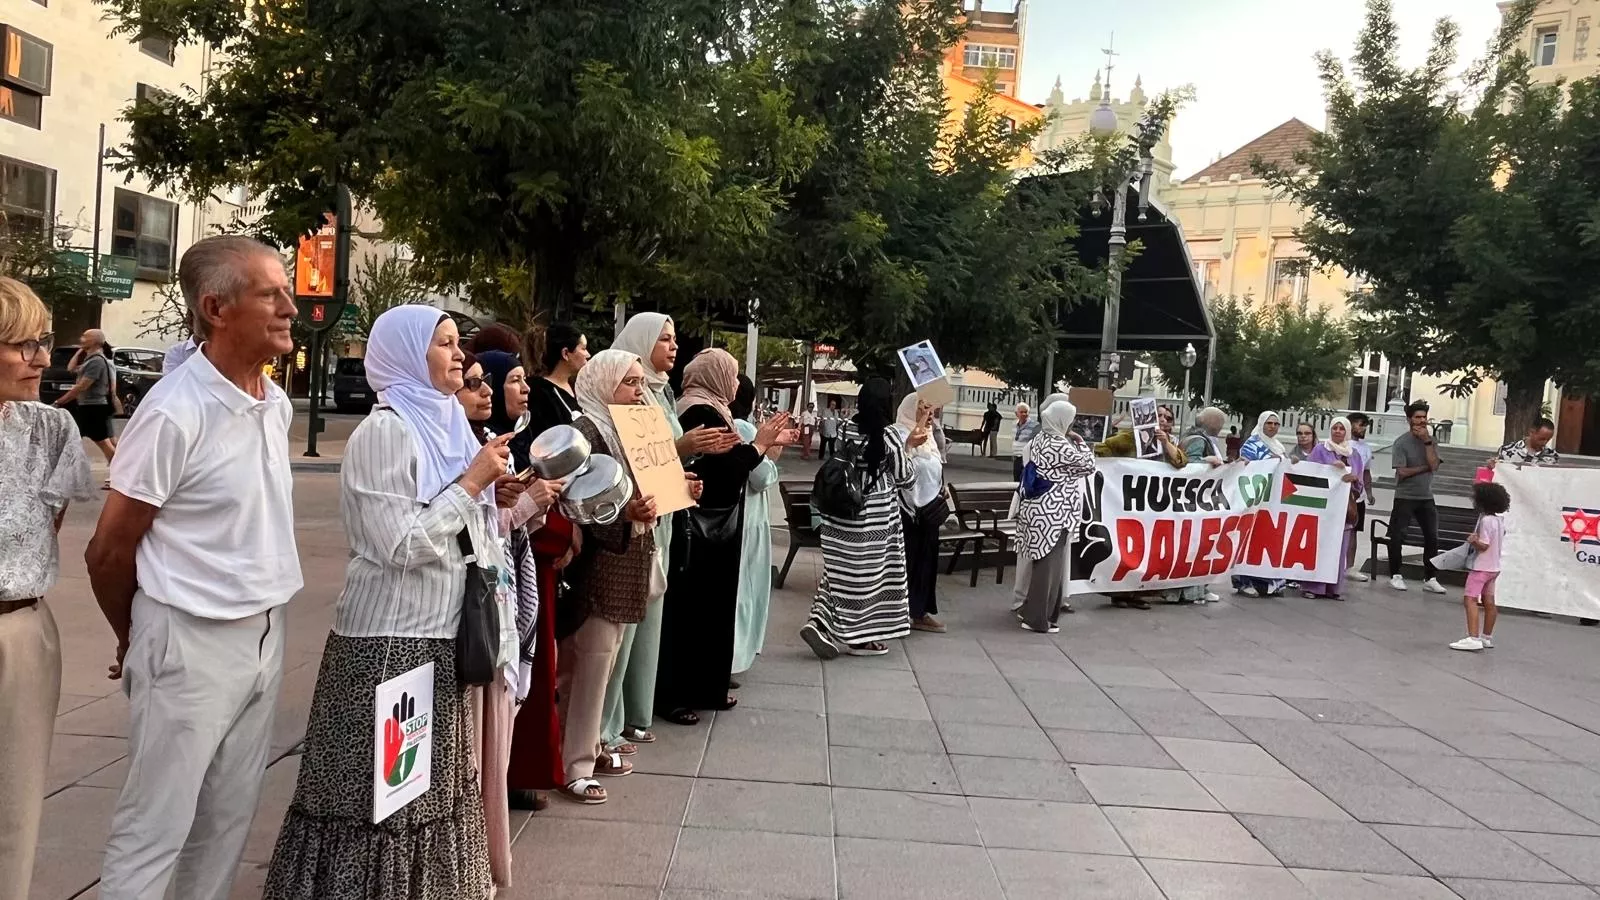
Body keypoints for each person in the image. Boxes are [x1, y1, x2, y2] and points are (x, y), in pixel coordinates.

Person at [87, 237, 302, 900]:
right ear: (216, 307)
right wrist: (138, 633)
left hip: (263, 634)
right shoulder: (175, 412)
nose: (291, 306)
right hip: (188, 637)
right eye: (271, 293)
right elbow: (108, 550)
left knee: (225, 827)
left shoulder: (274, 402)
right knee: (155, 829)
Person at [596, 315, 738, 750]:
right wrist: (685, 448)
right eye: (664, 338)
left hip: (663, 518)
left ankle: (636, 712)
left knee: (648, 622)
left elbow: (659, 462)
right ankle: (606, 725)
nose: (673, 347)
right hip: (631, 523)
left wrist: (683, 480)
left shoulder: (661, 392)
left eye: (674, 338)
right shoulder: (620, 400)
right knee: (617, 631)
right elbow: (639, 456)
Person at [555, 348, 687, 802]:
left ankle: (586, 747)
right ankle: (575, 764)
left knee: (604, 663)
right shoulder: (585, 432)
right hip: (596, 563)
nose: (639, 391)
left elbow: (646, 485)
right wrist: (623, 513)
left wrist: (677, 489)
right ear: (603, 383)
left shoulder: (632, 428)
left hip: (630, 557)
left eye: (641, 383)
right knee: (589, 662)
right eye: (630, 383)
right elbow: (569, 503)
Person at [0, 278, 95, 900]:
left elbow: (42, 530)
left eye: (44, 343)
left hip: (21, 630)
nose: (41, 359)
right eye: (22, 344)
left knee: (13, 806)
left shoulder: (50, 431)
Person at [658, 349, 788, 723]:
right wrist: (760, 445)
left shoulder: (710, 408)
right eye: (730, 375)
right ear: (714, 376)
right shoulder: (700, 411)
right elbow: (726, 475)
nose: (734, 384)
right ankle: (678, 696)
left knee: (708, 611)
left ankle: (704, 689)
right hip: (701, 530)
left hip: (712, 529)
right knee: (692, 614)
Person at [505, 322, 586, 812]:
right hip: (508, 570)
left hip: (536, 558)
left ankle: (522, 770)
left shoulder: (512, 436)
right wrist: (534, 507)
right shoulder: (492, 440)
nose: (524, 389)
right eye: (512, 380)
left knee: (536, 671)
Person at [800, 377, 918, 659]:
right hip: (876, 516)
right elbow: (906, 477)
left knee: (840, 573)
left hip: (841, 512)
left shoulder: (844, 428)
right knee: (870, 578)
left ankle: (818, 622)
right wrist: (909, 448)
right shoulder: (889, 435)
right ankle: (862, 639)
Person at [1017, 398, 1097, 633]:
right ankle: (1038, 619)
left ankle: (1036, 613)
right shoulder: (1059, 445)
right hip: (1054, 513)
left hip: (1039, 511)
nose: (1072, 425)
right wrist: (1081, 443)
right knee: (1049, 568)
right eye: (1070, 420)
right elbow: (1089, 465)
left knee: (1045, 565)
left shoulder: (1040, 438)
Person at [1094, 415, 1190, 608]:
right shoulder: (1130, 438)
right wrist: (1119, 467)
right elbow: (1101, 449)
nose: (1163, 420)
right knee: (1127, 547)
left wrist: (1164, 443)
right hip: (1129, 501)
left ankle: (1137, 592)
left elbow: (1181, 461)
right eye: (1159, 416)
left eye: (1168, 418)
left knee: (1147, 549)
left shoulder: (1170, 442)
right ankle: (1119, 593)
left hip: (1154, 506)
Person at [731, 375, 781, 673]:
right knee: (746, 590)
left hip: (735, 516)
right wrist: (771, 451)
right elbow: (761, 476)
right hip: (748, 518)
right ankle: (737, 657)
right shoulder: (745, 428)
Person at [1010, 392, 1075, 616]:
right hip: (1042, 508)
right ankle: (1024, 599)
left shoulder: (1062, 440)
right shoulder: (1042, 440)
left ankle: (1054, 598)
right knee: (1031, 557)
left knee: (1056, 559)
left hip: (1056, 510)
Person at [896, 394, 948, 634]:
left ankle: (920, 612)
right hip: (905, 510)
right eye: (922, 409)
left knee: (926, 563)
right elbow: (899, 466)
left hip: (929, 511)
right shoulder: (898, 433)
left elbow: (935, 466)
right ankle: (898, 613)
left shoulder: (930, 437)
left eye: (930, 409)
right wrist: (909, 445)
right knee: (906, 562)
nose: (929, 413)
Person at [1299, 417, 1365, 601]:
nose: (1337, 431)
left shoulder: (1354, 454)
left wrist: (1351, 478)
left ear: (1347, 432)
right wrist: (1331, 469)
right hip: (1323, 507)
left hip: (1343, 508)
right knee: (1320, 546)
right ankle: (1313, 587)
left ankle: (1334, 589)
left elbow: (1359, 481)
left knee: (1340, 548)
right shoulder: (1321, 449)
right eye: (1334, 428)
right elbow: (1310, 473)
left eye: (1341, 428)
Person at [1387, 401, 1447, 594]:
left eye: (1424, 417)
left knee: (1432, 537)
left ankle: (1430, 577)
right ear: (1409, 420)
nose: (1421, 421)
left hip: (1426, 496)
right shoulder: (1401, 443)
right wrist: (1425, 467)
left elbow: (1435, 465)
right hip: (1405, 495)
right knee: (1398, 536)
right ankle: (1395, 575)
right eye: (1417, 417)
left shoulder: (1431, 440)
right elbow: (1402, 472)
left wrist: (1427, 442)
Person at [1450, 480, 1510, 651]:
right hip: (1494, 567)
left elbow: (1484, 545)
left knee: (1470, 599)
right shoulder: (1499, 521)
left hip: (1481, 567)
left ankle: (1472, 637)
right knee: (1489, 601)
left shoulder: (1485, 521)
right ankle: (1486, 637)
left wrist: (1474, 540)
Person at [1234, 411, 1289, 598]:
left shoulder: (1279, 447)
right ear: (1261, 424)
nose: (1272, 427)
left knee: (1267, 540)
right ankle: (1244, 582)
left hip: (1273, 501)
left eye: (1276, 424)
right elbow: (1247, 467)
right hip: (1255, 499)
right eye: (1269, 423)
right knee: (1249, 539)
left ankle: (1266, 582)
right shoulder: (1252, 444)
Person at [54, 328, 117, 470]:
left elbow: (82, 386)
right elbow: (71, 368)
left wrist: (60, 401)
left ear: (95, 341)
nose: (81, 339)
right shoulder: (90, 360)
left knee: (105, 445)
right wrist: (80, 350)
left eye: (85, 337)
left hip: (94, 408)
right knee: (72, 439)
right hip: (87, 406)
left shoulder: (97, 362)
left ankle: (120, 475)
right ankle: (67, 473)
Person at [1346, 413, 1377, 583]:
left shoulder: (1366, 448)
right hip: (1343, 494)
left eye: (1365, 425)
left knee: (1354, 531)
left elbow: (1366, 472)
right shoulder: (1342, 445)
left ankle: (1349, 566)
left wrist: (1369, 492)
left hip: (1359, 496)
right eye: (1360, 424)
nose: (1363, 428)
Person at [1493, 416, 1560, 467]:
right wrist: (1492, 466)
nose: (1545, 442)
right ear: (1531, 432)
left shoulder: (1553, 456)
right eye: (1541, 439)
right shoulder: (1506, 450)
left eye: (1548, 439)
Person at [1012, 402, 1039, 481]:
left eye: (1026, 412)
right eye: (1021, 412)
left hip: (1027, 458)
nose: (1024, 414)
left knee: (1025, 480)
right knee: (1016, 479)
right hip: (1017, 457)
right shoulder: (1014, 424)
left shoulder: (1034, 426)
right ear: (1016, 414)